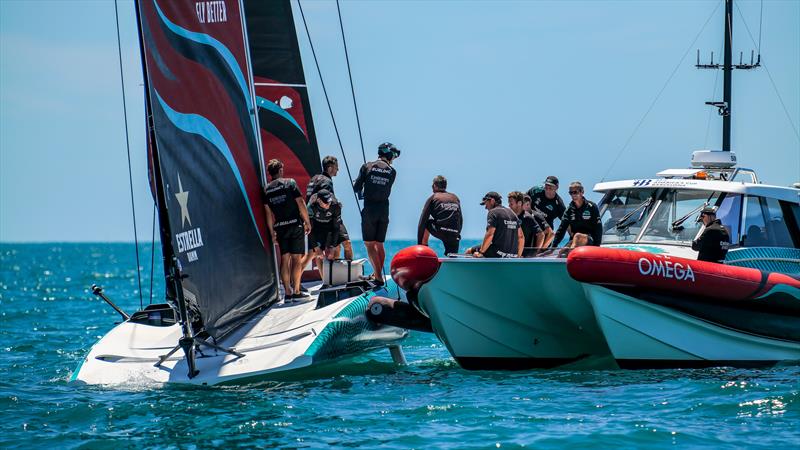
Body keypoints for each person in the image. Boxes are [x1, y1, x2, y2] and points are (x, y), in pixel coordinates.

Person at [263, 159, 312, 301]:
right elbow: (301, 202)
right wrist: (307, 221)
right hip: (294, 224)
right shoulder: (289, 182)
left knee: (285, 258)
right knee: (296, 258)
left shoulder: (267, 189)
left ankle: (287, 293)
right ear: (279, 171)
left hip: (280, 227)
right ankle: (296, 292)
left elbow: (268, 213)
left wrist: (272, 232)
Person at [353, 142, 400, 284]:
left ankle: (378, 278)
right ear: (389, 155)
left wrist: (361, 186)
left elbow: (356, 188)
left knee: (369, 244)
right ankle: (377, 273)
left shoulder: (367, 166)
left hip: (370, 210)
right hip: (384, 210)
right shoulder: (392, 172)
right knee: (379, 244)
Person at [307, 155, 354, 260]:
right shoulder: (326, 181)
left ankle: (333, 274)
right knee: (344, 245)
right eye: (336, 166)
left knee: (316, 254)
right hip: (325, 218)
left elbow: (310, 199)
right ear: (330, 168)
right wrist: (336, 204)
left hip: (314, 218)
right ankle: (344, 273)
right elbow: (325, 199)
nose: (338, 169)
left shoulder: (314, 179)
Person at [468, 191, 523, 258]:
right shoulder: (512, 213)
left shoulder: (493, 212)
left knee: (469, 251)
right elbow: (521, 237)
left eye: (486, 204)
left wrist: (481, 252)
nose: (485, 207)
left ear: (492, 201)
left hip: (498, 252)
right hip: (513, 254)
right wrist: (518, 256)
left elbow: (490, 234)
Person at [417, 175, 463, 255]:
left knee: (427, 221)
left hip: (440, 231)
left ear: (434, 185)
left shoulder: (433, 198)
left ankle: (423, 248)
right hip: (454, 233)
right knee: (452, 256)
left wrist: (418, 244)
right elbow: (461, 220)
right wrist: (457, 234)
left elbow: (422, 221)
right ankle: (452, 261)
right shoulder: (455, 198)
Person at [551, 181, 602, 249]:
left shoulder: (591, 207)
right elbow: (562, 229)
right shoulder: (569, 210)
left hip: (589, 240)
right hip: (574, 241)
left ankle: (572, 251)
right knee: (562, 251)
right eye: (571, 193)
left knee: (577, 236)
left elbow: (598, 228)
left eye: (575, 192)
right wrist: (553, 247)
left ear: (582, 192)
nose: (573, 195)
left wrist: (597, 246)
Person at [307, 189, 342, 279]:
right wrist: (316, 247)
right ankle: (297, 285)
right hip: (317, 226)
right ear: (318, 200)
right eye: (325, 203)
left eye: (329, 202)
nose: (328, 204)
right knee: (313, 254)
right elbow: (309, 230)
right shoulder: (311, 206)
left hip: (331, 225)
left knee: (337, 247)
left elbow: (336, 228)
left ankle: (335, 278)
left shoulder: (335, 205)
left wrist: (333, 246)